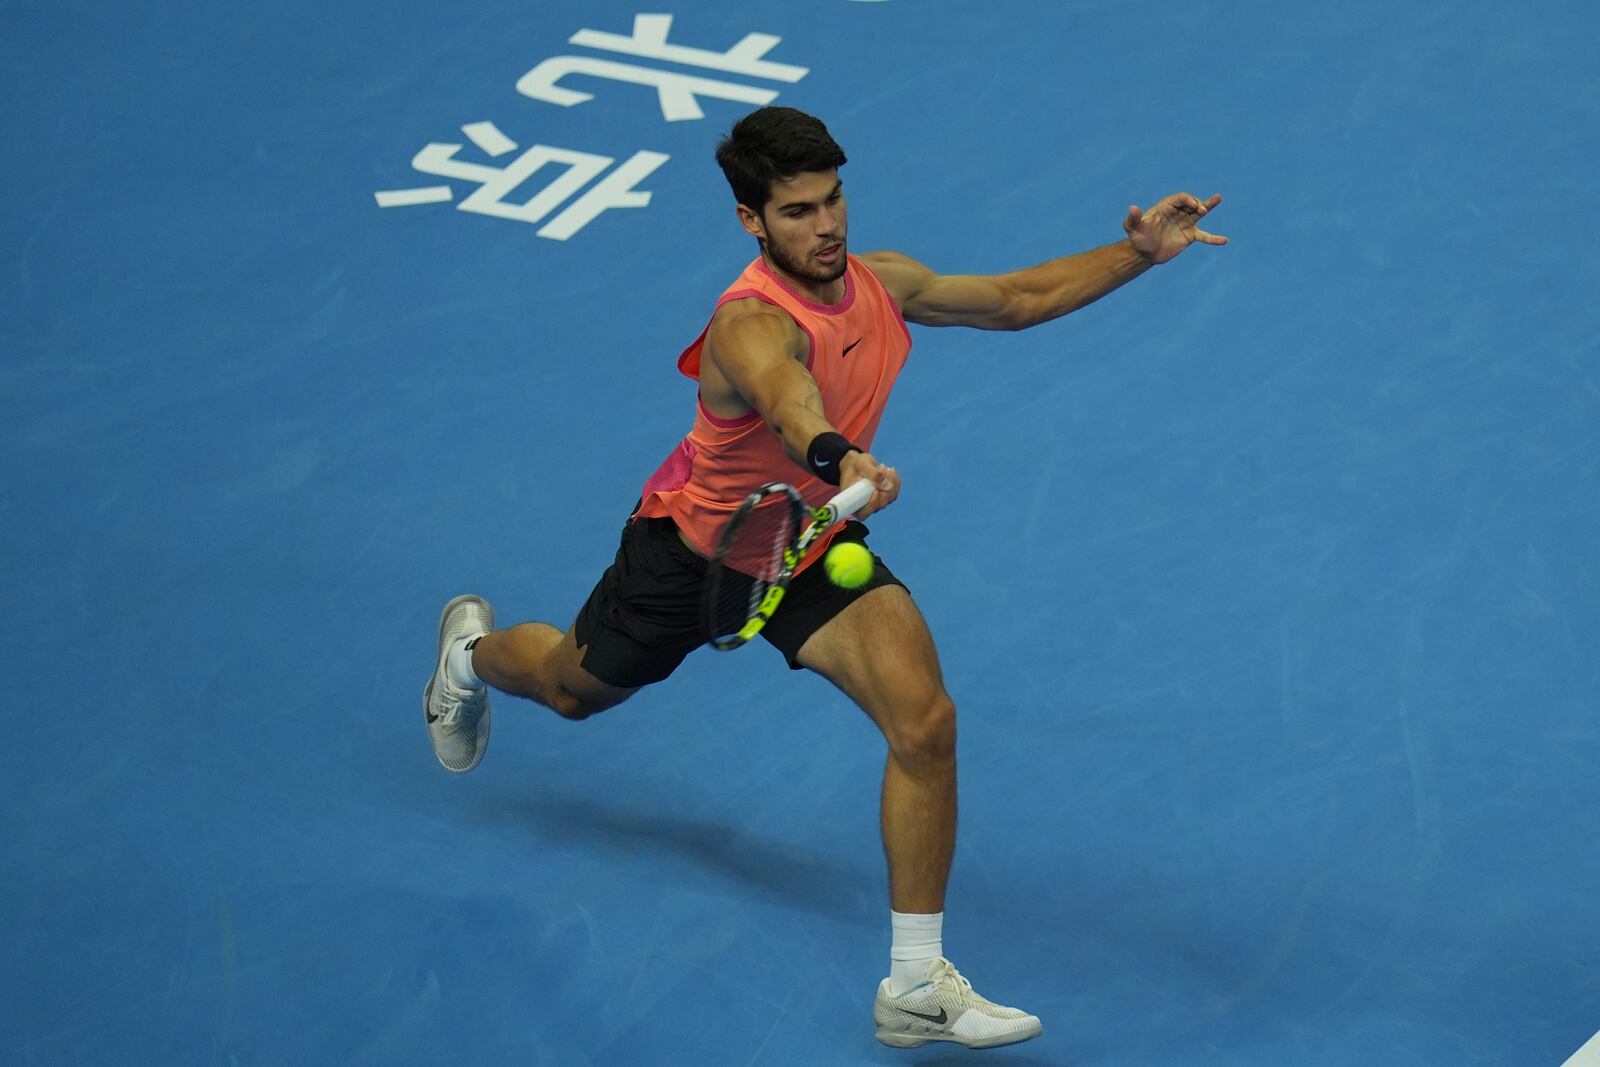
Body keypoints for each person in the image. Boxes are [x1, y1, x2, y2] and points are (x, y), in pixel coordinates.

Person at [421, 105, 1225, 1051]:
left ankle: (916, 983)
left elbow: (1013, 298)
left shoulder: (877, 280)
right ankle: (470, 656)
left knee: (924, 719)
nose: (827, 225)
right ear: (751, 222)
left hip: (802, 541)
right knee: (570, 690)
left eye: (833, 199)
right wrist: (840, 454)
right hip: (693, 552)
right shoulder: (749, 324)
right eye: (798, 211)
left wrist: (1136, 254)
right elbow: (787, 393)